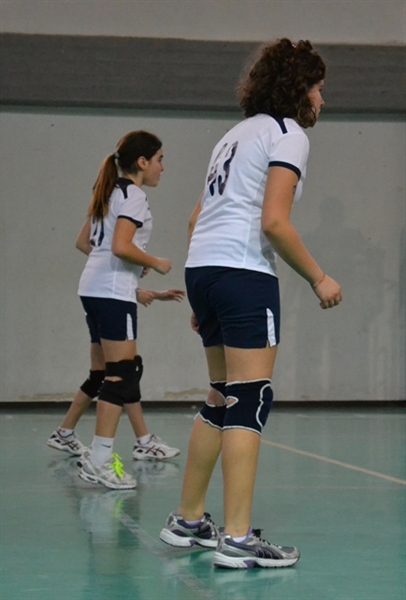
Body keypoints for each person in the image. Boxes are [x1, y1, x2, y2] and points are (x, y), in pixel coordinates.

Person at [159, 38, 342, 568]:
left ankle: (188, 520)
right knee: (249, 398)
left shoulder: (233, 136)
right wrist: (319, 277)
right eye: (318, 89)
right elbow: (274, 222)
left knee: (221, 396)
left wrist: (204, 296)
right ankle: (237, 539)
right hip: (243, 271)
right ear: (299, 90)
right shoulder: (288, 134)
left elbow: (197, 217)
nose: (322, 100)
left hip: (205, 267)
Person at [55, 129, 179, 490]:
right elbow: (121, 246)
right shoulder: (134, 195)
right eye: (159, 160)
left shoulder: (109, 191)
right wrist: (154, 262)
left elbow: (86, 243)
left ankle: (138, 442)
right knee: (122, 374)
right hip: (111, 292)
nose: (162, 168)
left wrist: (132, 269)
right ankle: (100, 460)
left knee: (113, 371)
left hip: (93, 288)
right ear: (142, 162)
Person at [47, 286, 184, 461]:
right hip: (114, 301)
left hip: (95, 299)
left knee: (100, 375)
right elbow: (115, 273)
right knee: (125, 372)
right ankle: (138, 444)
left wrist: (153, 294)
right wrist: (149, 274)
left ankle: (64, 433)